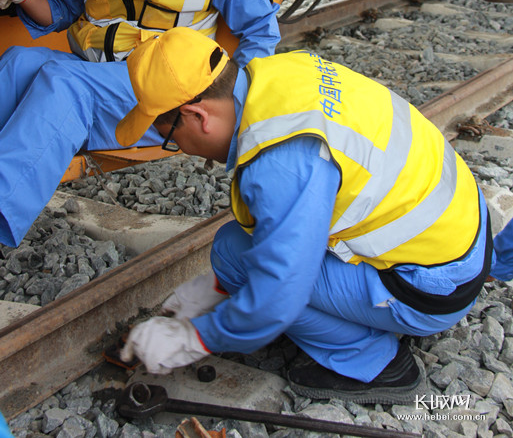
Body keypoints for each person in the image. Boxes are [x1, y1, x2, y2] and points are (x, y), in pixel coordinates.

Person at [115, 27, 493, 405]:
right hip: (463, 237)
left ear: (196, 115)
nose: (178, 148)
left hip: (433, 289)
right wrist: (212, 291)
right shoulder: (278, 76)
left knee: (249, 271)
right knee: (231, 250)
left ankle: (378, 365)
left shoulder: (283, 162)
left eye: (170, 138)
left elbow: (278, 296)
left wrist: (193, 338)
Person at [0, 0, 280, 248]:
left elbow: (261, 29)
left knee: (64, 84)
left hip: (164, 98)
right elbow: (60, 7)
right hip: (99, 74)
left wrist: (232, 108)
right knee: (18, 64)